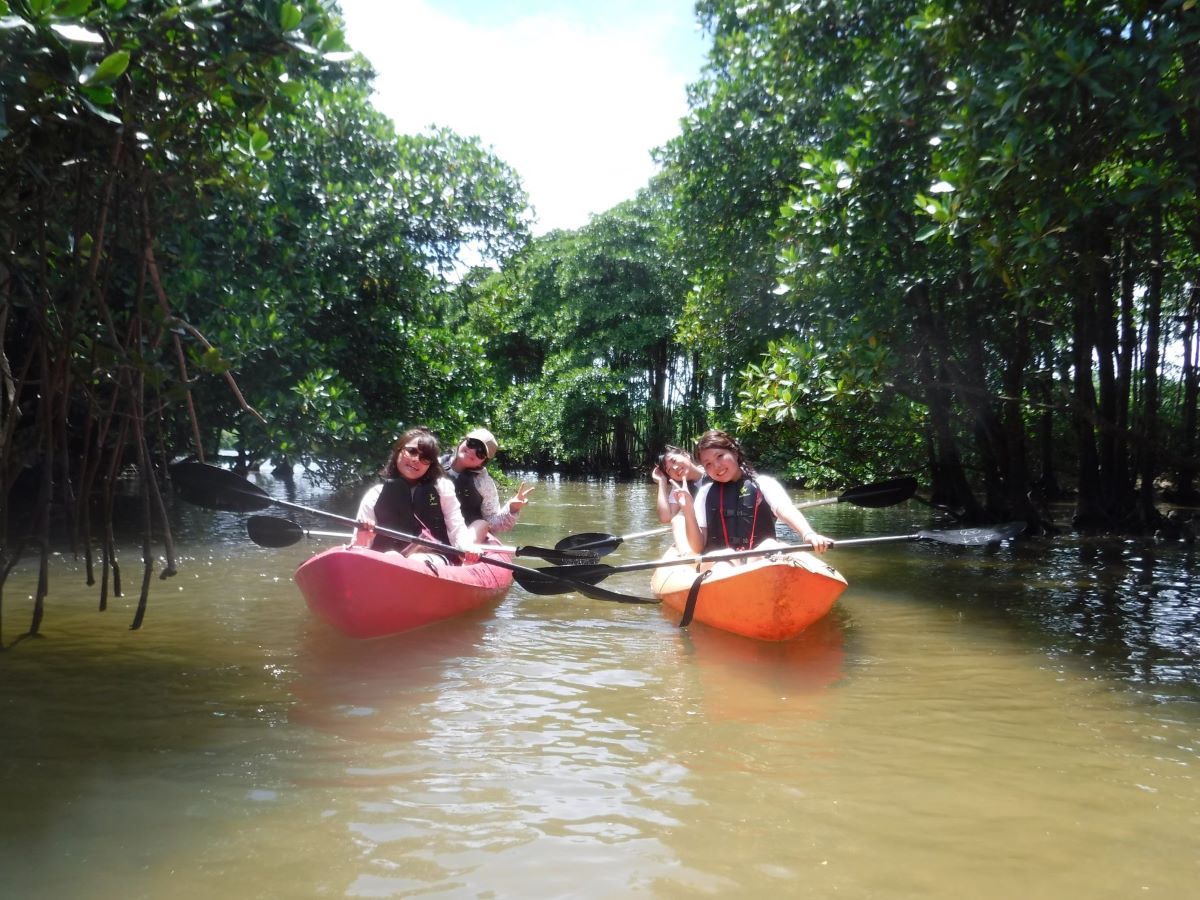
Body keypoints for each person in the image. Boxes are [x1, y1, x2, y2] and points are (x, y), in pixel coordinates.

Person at [671, 429, 833, 559]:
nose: (717, 466)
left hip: (757, 560)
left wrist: (808, 533)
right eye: (708, 464)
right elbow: (698, 547)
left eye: (720, 456)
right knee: (725, 556)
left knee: (770, 544)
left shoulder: (762, 483)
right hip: (719, 564)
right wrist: (688, 511)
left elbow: (785, 510)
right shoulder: (705, 493)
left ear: (734, 452)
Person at [353, 427, 477, 565]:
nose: (416, 460)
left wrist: (467, 547)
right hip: (386, 560)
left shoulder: (442, 488)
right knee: (391, 556)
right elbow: (359, 547)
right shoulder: (375, 494)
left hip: (432, 557)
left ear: (430, 465)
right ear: (398, 450)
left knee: (414, 560)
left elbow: (457, 528)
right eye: (412, 451)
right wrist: (364, 535)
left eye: (425, 458)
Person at [443, 427, 534, 544]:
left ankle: (465, 552)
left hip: (467, 535)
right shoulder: (433, 465)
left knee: (482, 524)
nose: (472, 451)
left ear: (483, 462)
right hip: (434, 530)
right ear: (463, 441)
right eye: (472, 443)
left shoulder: (484, 483)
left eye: (480, 453)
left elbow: (492, 522)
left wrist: (513, 508)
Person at [650, 444, 706, 524]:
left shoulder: (710, 469)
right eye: (669, 470)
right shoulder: (679, 487)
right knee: (677, 521)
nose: (675, 468)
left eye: (674, 460)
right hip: (704, 532)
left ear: (686, 455)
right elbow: (665, 518)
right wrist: (662, 481)